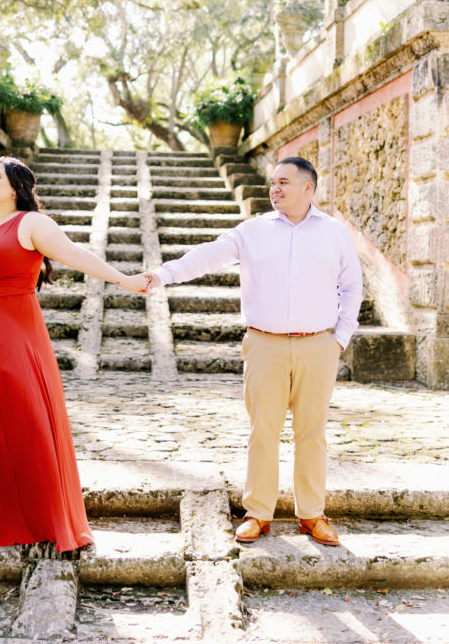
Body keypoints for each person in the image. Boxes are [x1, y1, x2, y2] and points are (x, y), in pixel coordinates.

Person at [0, 155, 149, 551]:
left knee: (26, 418)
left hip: (15, 336)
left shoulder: (33, 224)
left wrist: (124, 280)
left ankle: (45, 519)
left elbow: (76, 255)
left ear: (16, 187)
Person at [144, 156, 362, 547]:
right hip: (264, 344)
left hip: (318, 345)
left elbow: (352, 287)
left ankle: (311, 514)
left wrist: (339, 339)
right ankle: (258, 513)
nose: (274, 189)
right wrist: (162, 275)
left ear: (308, 188)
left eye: (283, 183)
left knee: (312, 434)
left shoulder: (334, 233)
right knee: (263, 431)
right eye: (272, 183)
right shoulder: (253, 231)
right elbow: (207, 256)